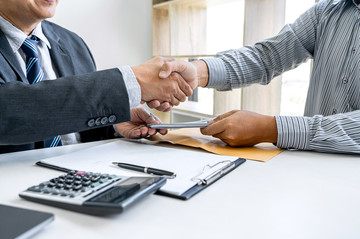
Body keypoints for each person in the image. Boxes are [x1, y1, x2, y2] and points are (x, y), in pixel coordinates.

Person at [155, 0, 360, 154]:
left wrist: (272, 129)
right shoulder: (327, 11)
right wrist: (198, 72)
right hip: (310, 170)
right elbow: (266, 57)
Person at [0, 0, 192, 153]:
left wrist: (112, 123)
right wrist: (131, 81)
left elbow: (72, 114)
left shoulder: (73, 43)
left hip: (80, 181)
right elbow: (7, 113)